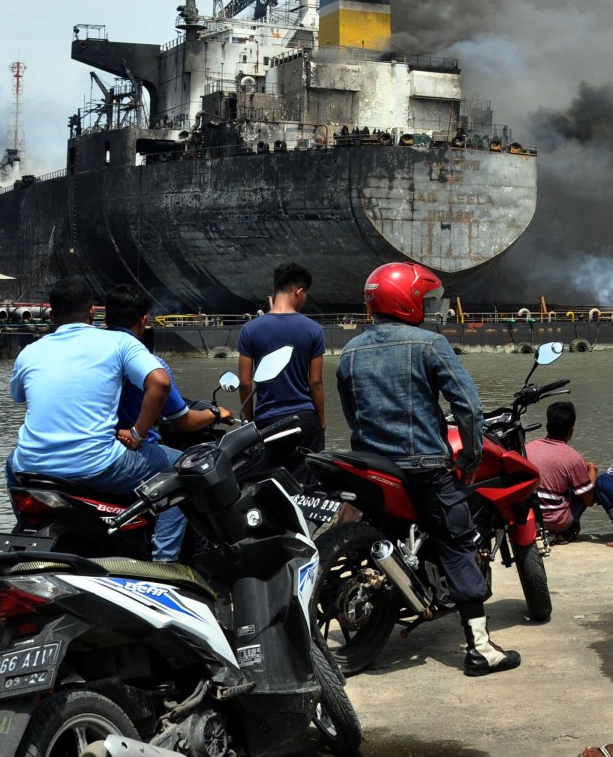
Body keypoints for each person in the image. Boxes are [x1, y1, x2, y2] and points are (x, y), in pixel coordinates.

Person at [336, 261, 521, 677]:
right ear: (406, 301)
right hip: (423, 465)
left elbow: (352, 415)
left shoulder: (349, 351)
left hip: (370, 465)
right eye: (426, 299)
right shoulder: (430, 344)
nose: (431, 308)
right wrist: (470, 458)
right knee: (457, 541)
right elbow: (468, 408)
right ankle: (480, 648)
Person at [7, 276, 184, 562]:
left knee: (11, 462)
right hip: (99, 465)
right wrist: (138, 434)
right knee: (181, 469)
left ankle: (29, 529)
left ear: (51, 315)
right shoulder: (117, 342)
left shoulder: (30, 351)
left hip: (32, 466)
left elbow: (18, 396)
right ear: (92, 312)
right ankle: (166, 561)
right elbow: (160, 383)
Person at [105, 284, 234, 442]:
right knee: (193, 463)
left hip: (90, 447)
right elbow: (185, 422)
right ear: (143, 321)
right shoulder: (153, 365)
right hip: (131, 449)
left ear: (105, 320)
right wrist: (215, 413)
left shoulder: (87, 355)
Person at [238, 262, 325, 485]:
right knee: (305, 489)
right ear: (299, 291)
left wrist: (249, 422)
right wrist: (322, 421)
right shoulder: (313, 329)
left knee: (269, 488)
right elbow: (315, 382)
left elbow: (245, 382)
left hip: (267, 421)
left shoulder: (250, 330)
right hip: (304, 420)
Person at [526, 401, 597, 544]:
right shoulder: (573, 457)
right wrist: (592, 469)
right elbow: (589, 501)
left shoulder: (527, 448)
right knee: (586, 487)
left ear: (547, 426)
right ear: (571, 430)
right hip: (555, 521)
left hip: (529, 518)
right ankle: (562, 531)